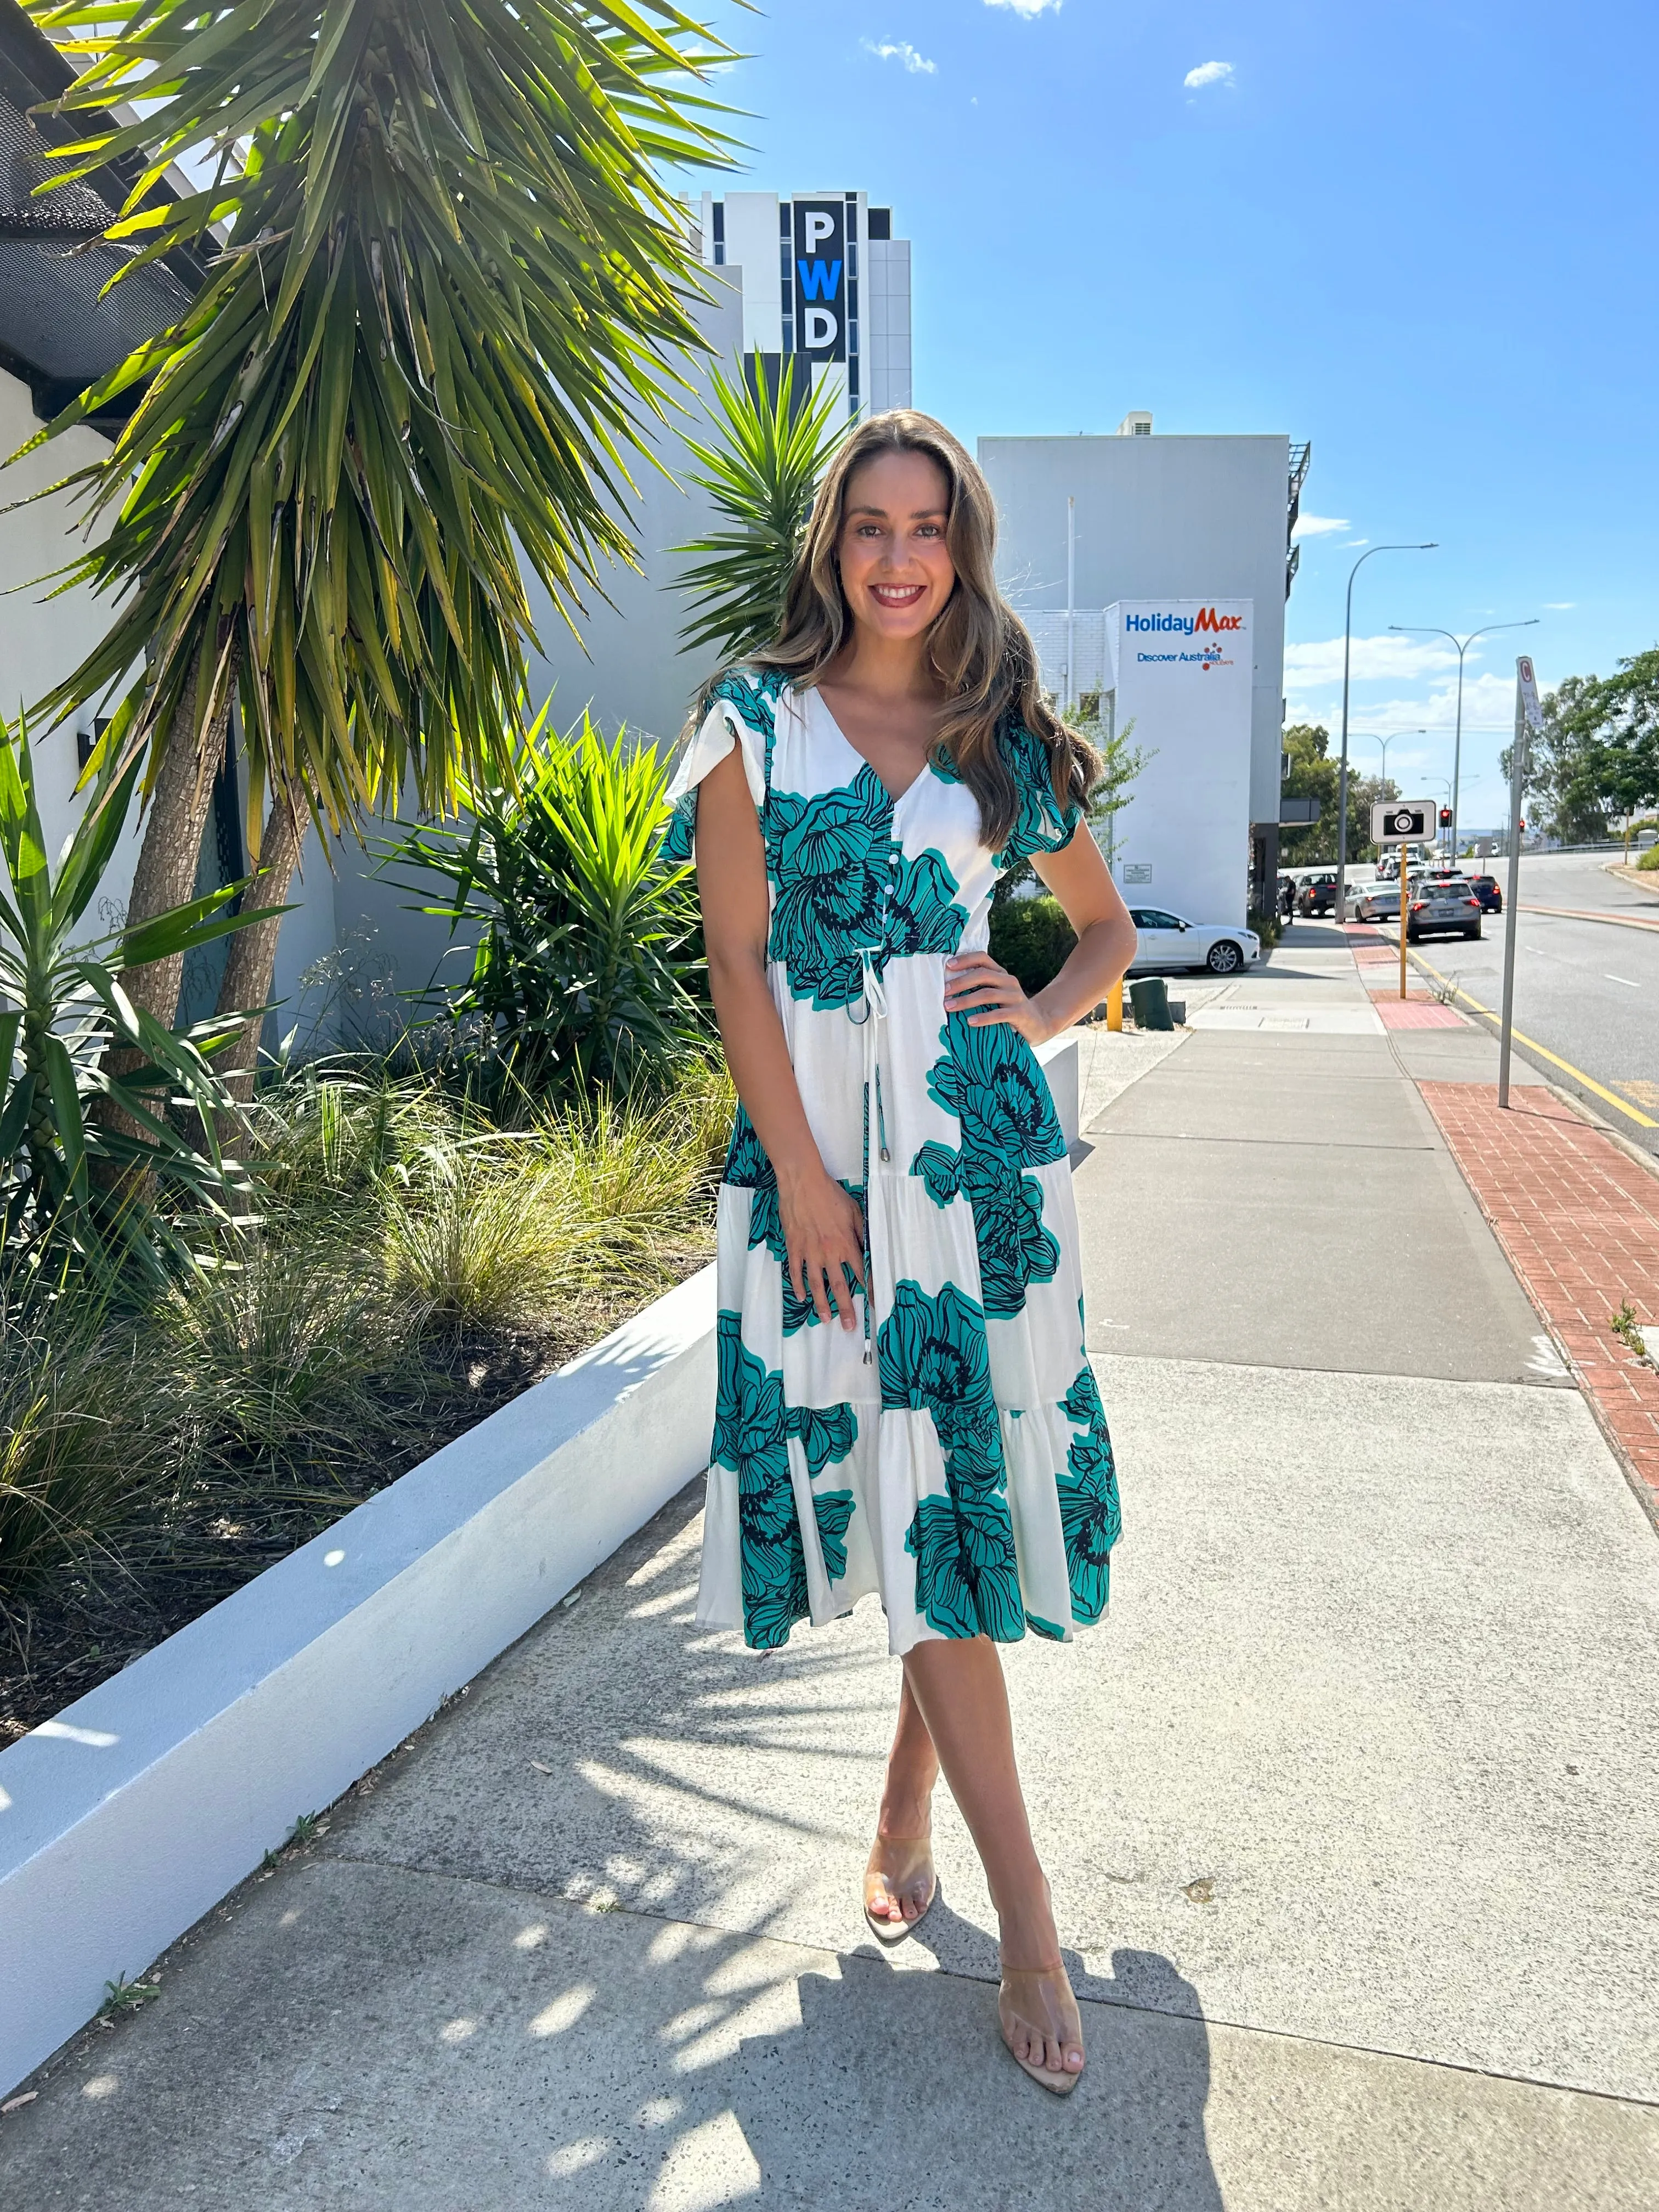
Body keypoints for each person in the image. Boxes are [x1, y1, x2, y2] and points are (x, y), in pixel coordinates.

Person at [663, 410, 1137, 2095]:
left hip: (974, 1162)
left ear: (963, 544)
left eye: (926, 525)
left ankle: (1003, 1892)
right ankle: (947, 1834)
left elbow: (1105, 931)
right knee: (898, 1485)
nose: (896, 554)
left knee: (943, 1494)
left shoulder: (1001, 730)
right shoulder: (749, 725)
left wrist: (1041, 1002)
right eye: (869, 524)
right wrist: (799, 1173)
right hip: (821, 1178)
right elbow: (735, 967)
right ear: (830, 542)